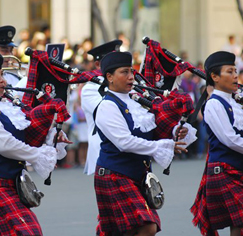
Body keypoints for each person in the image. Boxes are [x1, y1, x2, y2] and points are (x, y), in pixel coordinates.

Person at [0, 51, 68, 235]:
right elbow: (4, 145)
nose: (3, 80)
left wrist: (50, 137)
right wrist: (38, 156)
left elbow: (22, 135)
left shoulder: (1, 106)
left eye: (2, 74)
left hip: (1, 186)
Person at [94, 51, 193, 236]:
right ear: (109, 77)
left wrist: (173, 133)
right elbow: (124, 142)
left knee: (133, 229)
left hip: (138, 174)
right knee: (147, 226)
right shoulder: (107, 106)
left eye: (131, 71)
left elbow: (151, 130)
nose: (131, 76)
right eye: (124, 72)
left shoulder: (137, 100)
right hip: (115, 174)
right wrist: (162, 146)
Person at [191, 51, 243, 236]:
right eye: (229, 71)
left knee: (239, 225)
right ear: (214, 77)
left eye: (235, 71)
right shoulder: (214, 104)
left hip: (236, 169)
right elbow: (230, 139)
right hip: (225, 171)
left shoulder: (235, 103)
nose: (235, 76)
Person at [81, 39, 122, 175]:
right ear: (98, 64)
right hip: (103, 148)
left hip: (127, 147)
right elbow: (108, 113)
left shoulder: (127, 83)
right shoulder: (90, 88)